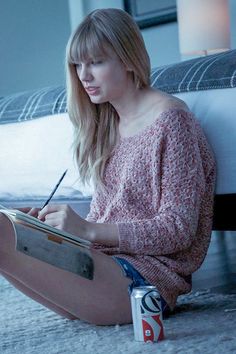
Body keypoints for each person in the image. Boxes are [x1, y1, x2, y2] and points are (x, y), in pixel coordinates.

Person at [0, 8, 216, 326]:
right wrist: (57, 232)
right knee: (10, 226)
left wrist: (87, 229)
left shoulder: (172, 121)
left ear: (128, 59)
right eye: (78, 64)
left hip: (143, 286)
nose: (83, 76)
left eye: (96, 62)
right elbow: (108, 223)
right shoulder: (109, 127)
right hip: (105, 273)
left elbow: (177, 230)